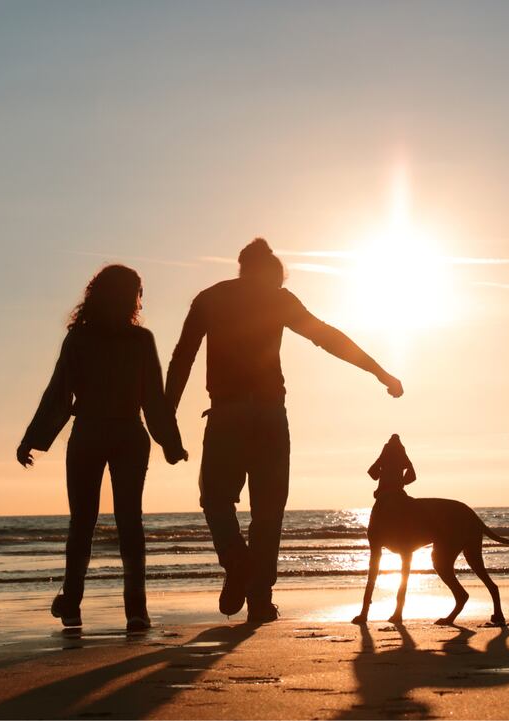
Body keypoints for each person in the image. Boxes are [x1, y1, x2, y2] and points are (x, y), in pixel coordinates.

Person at [167, 238, 402, 623]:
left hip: (228, 415)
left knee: (216, 501)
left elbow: (182, 358)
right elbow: (328, 338)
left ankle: (237, 563)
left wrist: (167, 420)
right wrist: (379, 371)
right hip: (270, 417)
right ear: (270, 273)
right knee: (268, 512)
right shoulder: (278, 298)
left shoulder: (210, 298)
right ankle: (259, 597)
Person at [17, 264, 188, 632]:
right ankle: (136, 611)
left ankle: (73, 603)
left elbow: (59, 396)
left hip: (90, 433)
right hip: (128, 433)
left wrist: (32, 439)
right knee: (130, 522)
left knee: (82, 522)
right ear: (131, 297)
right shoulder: (141, 341)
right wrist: (171, 444)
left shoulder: (79, 339)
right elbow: (154, 400)